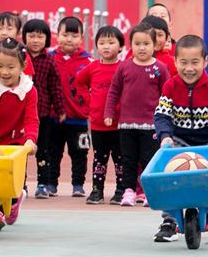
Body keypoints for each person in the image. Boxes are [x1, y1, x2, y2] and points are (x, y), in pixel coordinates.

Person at [153, 35, 208, 242]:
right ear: (175, 62)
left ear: (205, 61)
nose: (189, 68)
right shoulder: (170, 87)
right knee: (170, 176)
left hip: (207, 141)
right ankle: (169, 219)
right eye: (183, 62)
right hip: (179, 140)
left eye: (195, 62)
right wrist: (165, 136)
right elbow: (162, 114)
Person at [103, 22, 169, 207]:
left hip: (151, 126)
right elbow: (114, 91)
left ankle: (149, 192)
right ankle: (129, 191)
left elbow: (167, 95)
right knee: (128, 160)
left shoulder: (160, 69)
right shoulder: (124, 67)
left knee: (149, 160)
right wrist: (109, 112)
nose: (142, 48)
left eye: (146, 44)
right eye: (137, 44)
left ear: (155, 45)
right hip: (126, 125)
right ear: (131, 45)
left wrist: (167, 119)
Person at [0, 39, 39, 226]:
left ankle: (15, 199)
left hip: (16, 143)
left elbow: (31, 119)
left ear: (23, 66)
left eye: (11, 67)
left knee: (10, 181)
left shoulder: (29, 90)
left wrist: (30, 140)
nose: (4, 71)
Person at [75, 26, 125, 205]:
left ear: (120, 46)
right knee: (99, 158)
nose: (106, 46)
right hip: (97, 123)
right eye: (102, 43)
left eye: (111, 42)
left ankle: (121, 190)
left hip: (120, 124)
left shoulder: (123, 67)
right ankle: (97, 190)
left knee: (120, 159)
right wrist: (89, 101)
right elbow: (79, 83)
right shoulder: (92, 67)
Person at [22, 19, 66, 200]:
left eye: (40, 36)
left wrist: (60, 108)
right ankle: (20, 184)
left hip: (43, 113)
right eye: (31, 36)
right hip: (21, 114)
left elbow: (55, 86)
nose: (35, 40)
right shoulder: (19, 57)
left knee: (44, 150)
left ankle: (43, 184)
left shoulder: (49, 60)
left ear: (47, 39)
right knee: (20, 150)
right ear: (24, 37)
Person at [50, 16, 92, 198]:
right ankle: (50, 184)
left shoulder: (89, 61)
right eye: (65, 34)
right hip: (54, 117)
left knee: (80, 153)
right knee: (53, 152)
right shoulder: (49, 58)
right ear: (56, 36)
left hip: (80, 119)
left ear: (82, 38)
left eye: (74, 35)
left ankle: (78, 185)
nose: (69, 39)